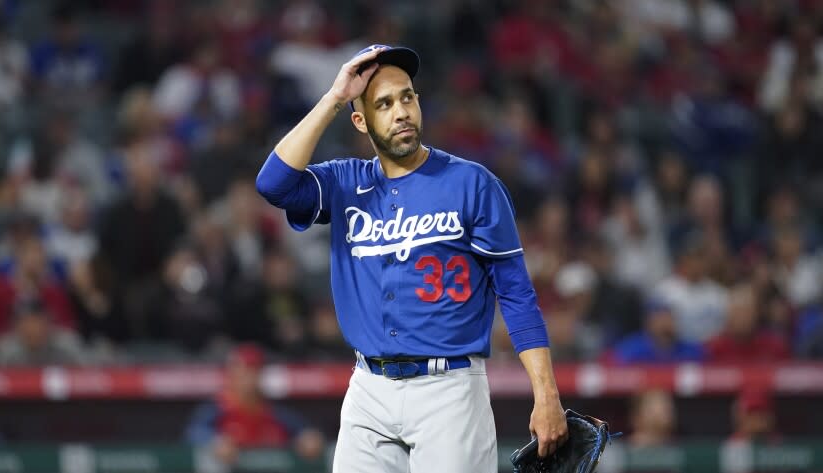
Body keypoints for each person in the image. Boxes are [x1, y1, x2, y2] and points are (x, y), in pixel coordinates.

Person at [255, 45, 567, 472]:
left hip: (449, 388)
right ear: (361, 121)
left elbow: (515, 294)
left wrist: (547, 395)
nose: (401, 111)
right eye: (383, 104)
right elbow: (273, 183)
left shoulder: (472, 183)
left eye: (407, 97)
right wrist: (333, 98)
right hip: (368, 389)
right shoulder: (346, 182)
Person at [185, 344, 324, 468]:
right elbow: (192, 433)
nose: (250, 378)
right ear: (232, 374)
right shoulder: (216, 410)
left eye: (255, 371)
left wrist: (308, 438)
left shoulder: (274, 412)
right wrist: (214, 441)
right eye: (244, 371)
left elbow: (306, 433)